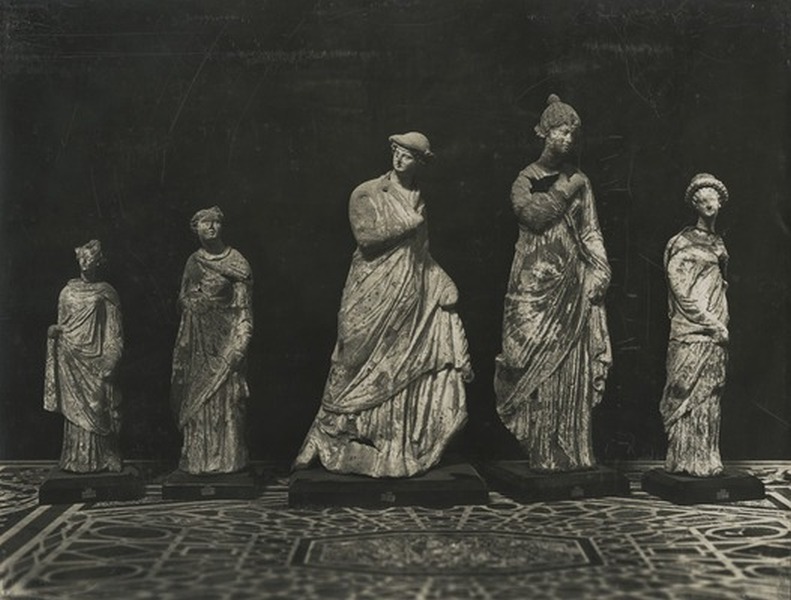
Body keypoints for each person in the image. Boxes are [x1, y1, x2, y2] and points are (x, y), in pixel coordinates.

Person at [294, 132, 473, 478]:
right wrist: (408, 223)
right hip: (370, 290)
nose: (399, 158)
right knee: (349, 359)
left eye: (408, 155)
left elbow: (421, 252)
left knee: (396, 368)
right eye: (396, 152)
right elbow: (365, 239)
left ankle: (389, 447)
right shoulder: (367, 192)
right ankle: (323, 434)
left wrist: (441, 279)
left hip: (409, 293)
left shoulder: (419, 198)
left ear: (420, 162)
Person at [494, 94, 612, 472]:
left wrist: (601, 271)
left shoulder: (581, 181)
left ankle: (571, 452)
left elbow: (590, 231)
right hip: (533, 283)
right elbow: (531, 215)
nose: (568, 140)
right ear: (544, 132)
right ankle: (541, 448)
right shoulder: (526, 179)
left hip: (571, 282)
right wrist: (565, 188)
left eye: (573, 134)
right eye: (562, 131)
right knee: (529, 359)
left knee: (569, 364)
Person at [170, 206, 253, 474]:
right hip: (197, 346)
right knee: (197, 405)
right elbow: (183, 298)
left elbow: (244, 311)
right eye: (205, 223)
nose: (211, 227)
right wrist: (192, 302)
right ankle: (197, 460)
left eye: (216, 222)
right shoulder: (193, 262)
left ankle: (229, 460)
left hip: (226, 343)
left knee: (227, 403)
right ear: (196, 229)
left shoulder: (237, 262)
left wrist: (240, 344)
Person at [660, 173, 729, 477]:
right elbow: (679, 290)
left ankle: (706, 458)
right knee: (683, 390)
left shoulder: (719, 243)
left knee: (710, 391)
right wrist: (708, 322)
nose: (709, 203)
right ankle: (682, 458)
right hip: (692, 328)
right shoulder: (680, 242)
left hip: (716, 329)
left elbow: (719, 283)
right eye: (702, 199)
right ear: (695, 205)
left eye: (713, 198)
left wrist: (719, 322)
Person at [44, 239, 124, 473]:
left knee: (100, 406)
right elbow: (62, 323)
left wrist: (112, 357)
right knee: (74, 409)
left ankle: (106, 456)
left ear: (99, 262)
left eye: (91, 258)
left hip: (95, 357)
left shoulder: (106, 292)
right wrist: (54, 332)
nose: (86, 262)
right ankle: (75, 459)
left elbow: (114, 330)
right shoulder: (66, 292)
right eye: (83, 258)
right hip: (70, 355)